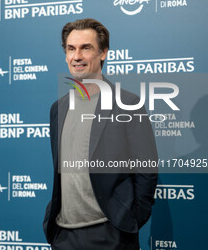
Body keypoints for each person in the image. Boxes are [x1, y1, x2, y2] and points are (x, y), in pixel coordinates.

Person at [43, 18, 158, 250]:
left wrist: (130, 219)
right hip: (64, 235)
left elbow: (147, 169)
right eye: (71, 49)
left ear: (103, 53)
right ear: (65, 55)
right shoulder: (58, 108)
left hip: (111, 233)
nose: (77, 56)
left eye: (86, 48)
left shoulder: (128, 103)